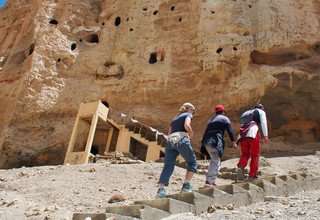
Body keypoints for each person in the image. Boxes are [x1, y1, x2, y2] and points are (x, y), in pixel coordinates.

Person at [156, 103, 197, 198]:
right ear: (189, 109)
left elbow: (169, 133)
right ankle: (186, 186)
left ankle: (161, 191)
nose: (193, 113)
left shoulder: (174, 118)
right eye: (193, 111)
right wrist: (190, 134)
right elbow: (187, 125)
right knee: (192, 163)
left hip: (170, 141)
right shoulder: (188, 115)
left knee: (168, 166)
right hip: (181, 138)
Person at [200, 104, 237, 187]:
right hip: (215, 141)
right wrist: (233, 141)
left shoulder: (210, 120)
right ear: (223, 112)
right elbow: (230, 130)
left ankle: (211, 181)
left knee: (214, 160)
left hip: (206, 142)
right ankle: (209, 182)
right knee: (216, 161)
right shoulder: (224, 118)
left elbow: (206, 132)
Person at [236, 103, 269, 181]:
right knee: (255, 155)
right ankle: (252, 175)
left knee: (245, 154)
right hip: (253, 133)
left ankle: (240, 167)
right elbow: (264, 123)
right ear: (261, 108)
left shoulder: (247, 113)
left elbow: (242, 125)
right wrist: (265, 136)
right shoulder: (261, 112)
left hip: (242, 135)